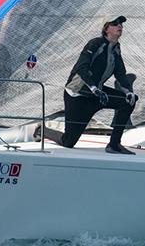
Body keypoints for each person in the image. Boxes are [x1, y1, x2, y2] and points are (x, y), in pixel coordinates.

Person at [36, 15, 138, 154]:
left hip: (98, 94)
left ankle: (114, 144)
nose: (120, 26)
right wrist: (93, 87)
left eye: (120, 23)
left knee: (127, 101)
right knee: (68, 142)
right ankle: (41, 131)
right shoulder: (95, 44)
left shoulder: (116, 48)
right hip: (78, 95)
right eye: (115, 23)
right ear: (106, 28)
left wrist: (128, 92)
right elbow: (82, 68)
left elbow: (120, 72)